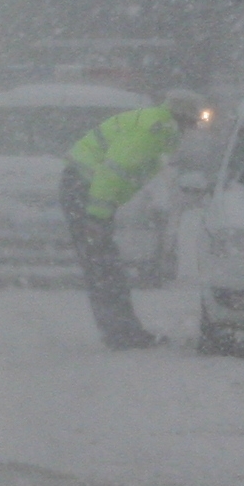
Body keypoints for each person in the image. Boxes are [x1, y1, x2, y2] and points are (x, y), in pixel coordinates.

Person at [62, 89, 199, 348]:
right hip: (85, 193)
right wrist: (97, 218)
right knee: (104, 269)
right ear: (185, 118)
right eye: (192, 123)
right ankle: (121, 334)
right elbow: (112, 172)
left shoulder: (156, 125)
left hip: (84, 192)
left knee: (105, 267)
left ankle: (122, 332)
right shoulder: (154, 129)